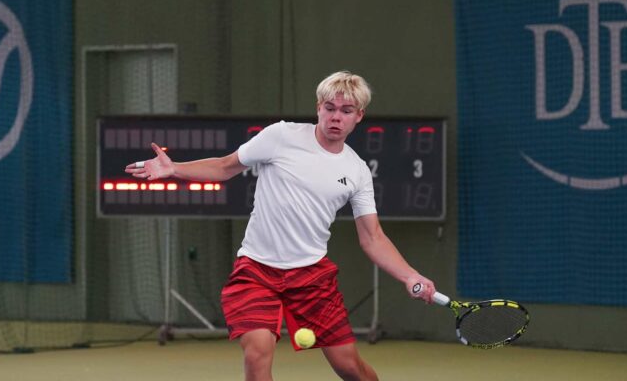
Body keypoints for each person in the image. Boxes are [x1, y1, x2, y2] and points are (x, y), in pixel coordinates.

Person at [126, 70, 436, 381]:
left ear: (359, 116)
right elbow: (224, 167)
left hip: (312, 276)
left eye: (345, 111)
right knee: (257, 352)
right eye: (329, 108)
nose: (335, 117)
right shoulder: (281, 136)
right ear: (318, 107)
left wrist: (410, 275)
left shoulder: (356, 171)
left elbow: (373, 238)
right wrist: (174, 168)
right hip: (256, 270)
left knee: (350, 367)